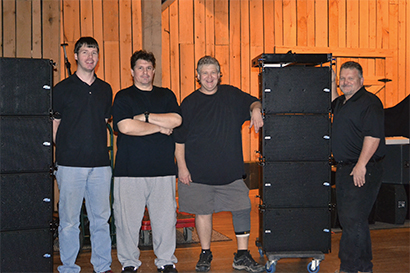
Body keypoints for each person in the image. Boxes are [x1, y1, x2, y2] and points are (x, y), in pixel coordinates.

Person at [174, 56, 265, 273]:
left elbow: (255, 101)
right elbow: (179, 140)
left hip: (230, 172)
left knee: (243, 207)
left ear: (219, 74)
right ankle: (205, 253)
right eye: (204, 73)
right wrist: (182, 168)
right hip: (198, 172)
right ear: (197, 76)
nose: (209, 77)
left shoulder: (232, 95)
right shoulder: (189, 103)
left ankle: (242, 255)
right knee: (203, 212)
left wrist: (255, 109)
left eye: (213, 72)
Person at [112, 50, 181, 273]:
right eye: (140, 68)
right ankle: (129, 263)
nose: (145, 72)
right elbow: (125, 127)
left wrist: (146, 118)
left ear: (154, 71)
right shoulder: (123, 97)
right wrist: (160, 128)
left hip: (163, 170)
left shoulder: (166, 95)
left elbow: (177, 119)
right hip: (129, 171)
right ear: (132, 72)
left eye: (149, 68)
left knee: (165, 221)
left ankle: (166, 261)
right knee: (127, 222)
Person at [53, 37, 113, 273]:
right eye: (85, 52)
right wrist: (66, 150)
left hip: (100, 165)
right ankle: (68, 267)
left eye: (94, 53)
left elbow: (104, 121)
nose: (90, 57)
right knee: (69, 221)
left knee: (101, 220)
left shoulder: (105, 89)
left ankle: (103, 266)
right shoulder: (62, 89)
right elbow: (55, 124)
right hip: (69, 166)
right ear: (76, 56)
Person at [331, 61, 386, 273]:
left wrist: (361, 165)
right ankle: (364, 267)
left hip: (363, 168)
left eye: (350, 78)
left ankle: (349, 268)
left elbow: (373, 137)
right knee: (355, 220)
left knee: (352, 219)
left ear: (361, 81)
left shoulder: (370, 103)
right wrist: (330, 77)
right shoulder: (343, 103)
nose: (345, 82)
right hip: (346, 169)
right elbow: (333, 99)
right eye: (342, 79)